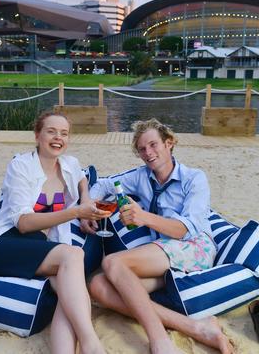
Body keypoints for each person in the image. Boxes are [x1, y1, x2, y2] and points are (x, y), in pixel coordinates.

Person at [81, 119, 233, 354]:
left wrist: (143, 218)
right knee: (99, 286)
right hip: (164, 256)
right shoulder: (142, 176)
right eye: (142, 149)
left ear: (169, 143)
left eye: (154, 145)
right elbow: (104, 184)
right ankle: (196, 327)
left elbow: (186, 229)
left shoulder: (194, 178)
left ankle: (159, 339)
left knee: (112, 262)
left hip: (194, 248)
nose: (148, 153)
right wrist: (88, 207)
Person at [0, 112, 110, 354]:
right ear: (37, 135)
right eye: (51, 131)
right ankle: (91, 344)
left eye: (64, 133)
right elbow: (23, 223)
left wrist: (86, 200)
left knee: (65, 287)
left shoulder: (69, 164)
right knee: (73, 256)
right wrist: (76, 212)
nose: (58, 138)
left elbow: (82, 179)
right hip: (6, 243)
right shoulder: (21, 166)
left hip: (38, 244)